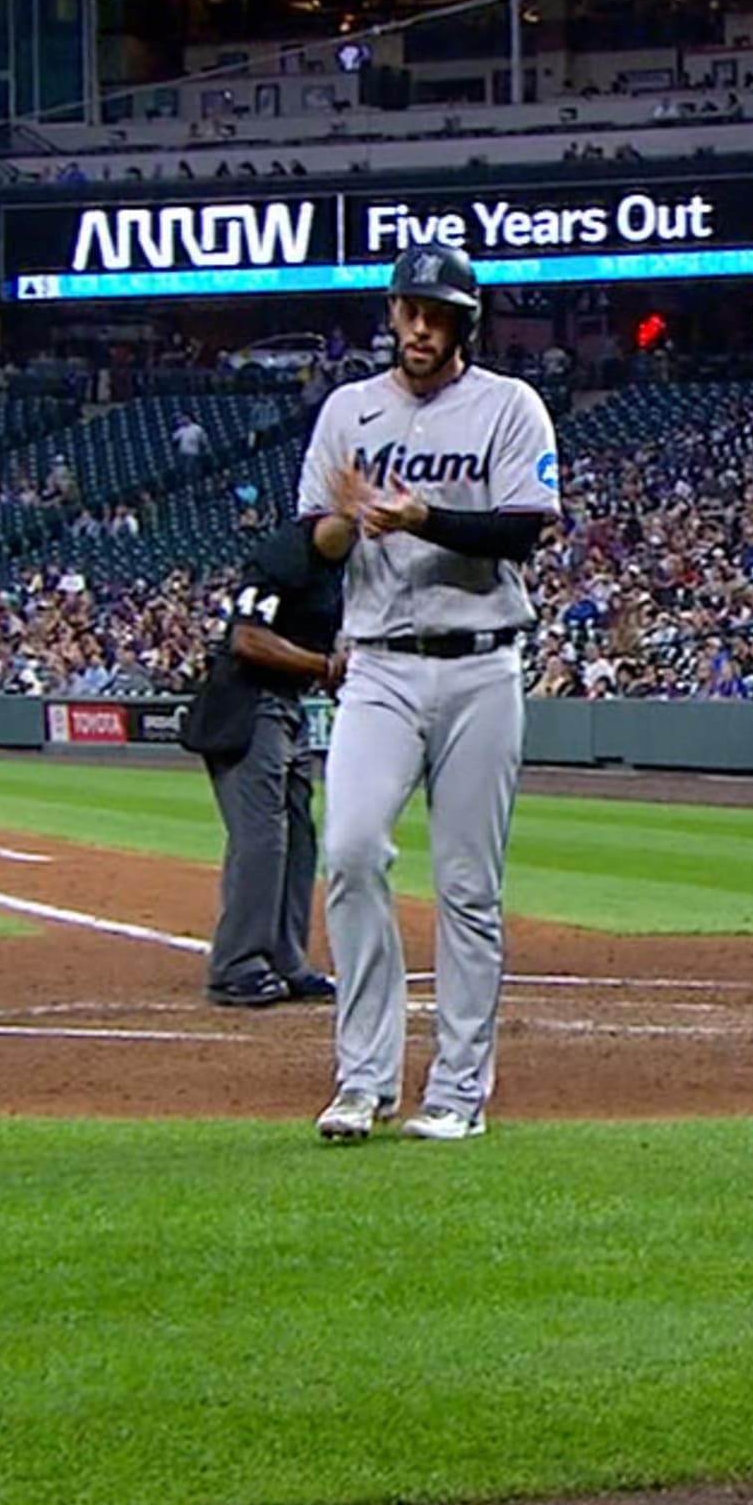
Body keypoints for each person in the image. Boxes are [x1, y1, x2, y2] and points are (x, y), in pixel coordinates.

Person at [299, 241, 558, 1143]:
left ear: (463, 325)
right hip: (377, 661)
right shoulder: (347, 411)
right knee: (352, 848)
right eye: (411, 310)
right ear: (392, 313)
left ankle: (457, 1092)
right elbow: (315, 547)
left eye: (438, 314)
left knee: (466, 884)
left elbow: (524, 531)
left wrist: (419, 515)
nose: (420, 326)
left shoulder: (509, 407)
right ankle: (362, 1080)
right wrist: (343, 521)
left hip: (483, 661)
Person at [181, 515, 344, 1007]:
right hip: (249, 707)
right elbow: (246, 639)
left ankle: (285, 960)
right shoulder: (284, 556)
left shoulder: (334, 570)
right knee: (263, 838)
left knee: (297, 837)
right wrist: (326, 667)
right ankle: (238, 965)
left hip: (288, 706)